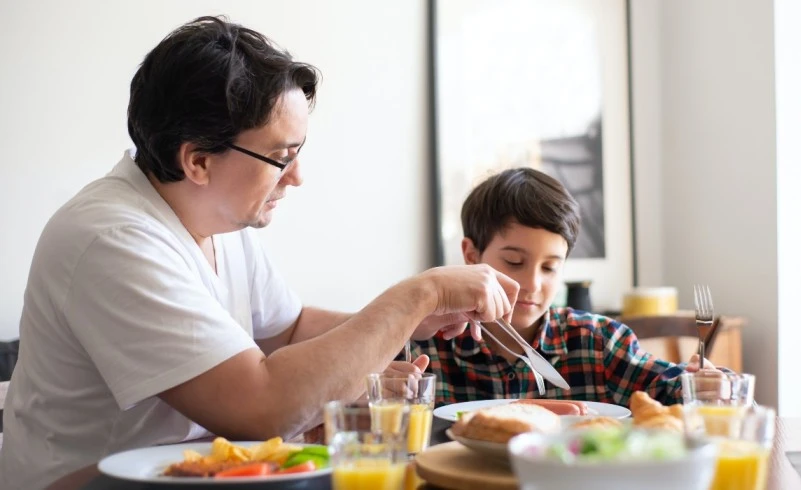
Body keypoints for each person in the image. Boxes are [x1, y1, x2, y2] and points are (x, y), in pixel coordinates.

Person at [0, 16, 518, 490]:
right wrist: (419, 295)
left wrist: (414, 322)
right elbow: (262, 408)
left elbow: (288, 329)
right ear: (198, 161)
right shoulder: (112, 239)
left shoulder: (218, 219)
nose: (296, 177)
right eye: (279, 157)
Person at [410, 167, 730, 407]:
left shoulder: (597, 342)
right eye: (514, 262)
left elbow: (671, 388)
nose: (532, 284)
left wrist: (710, 387)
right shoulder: (424, 343)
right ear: (471, 255)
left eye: (549, 267)